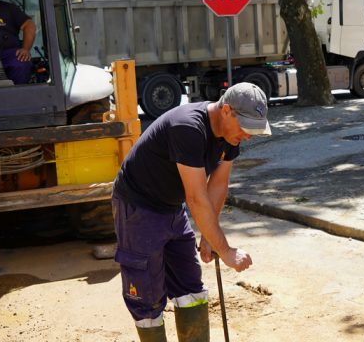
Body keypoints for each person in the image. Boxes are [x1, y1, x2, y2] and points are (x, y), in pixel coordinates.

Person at [112, 82, 270, 342]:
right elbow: (196, 198)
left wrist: (211, 237)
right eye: (246, 127)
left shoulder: (230, 137)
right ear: (227, 111)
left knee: (190, 287)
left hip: (172, 207)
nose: (249, 135)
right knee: (148, 297)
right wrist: (227, 251)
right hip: (138, 207)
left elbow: (217, 186)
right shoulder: (188, 127)